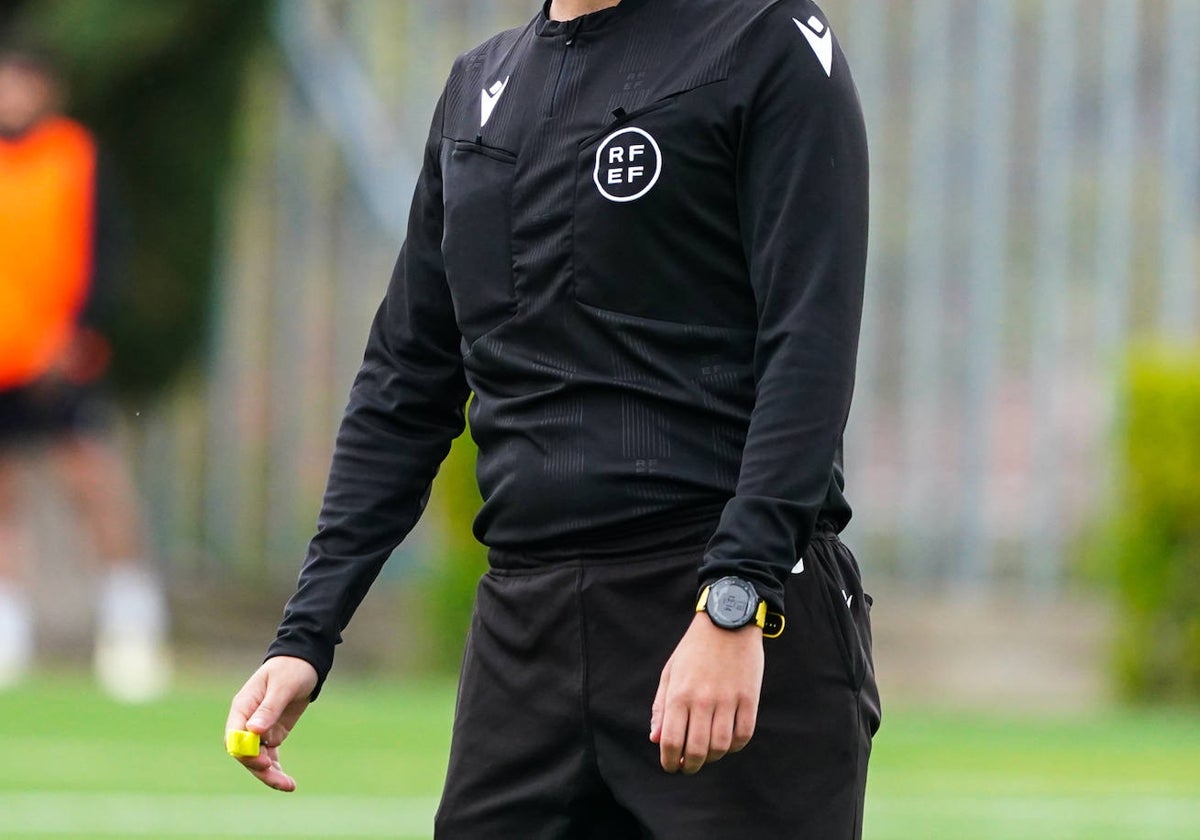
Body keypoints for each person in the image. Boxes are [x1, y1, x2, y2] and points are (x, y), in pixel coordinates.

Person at [228, 0, 879, 835]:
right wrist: (305, 634)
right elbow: (406, 380)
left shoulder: (762, 38)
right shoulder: (478, 88)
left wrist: (735, 596)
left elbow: (811, 341)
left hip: (712, 608)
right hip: (523, 635)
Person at [0, 44, 170, 701]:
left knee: (92, 479)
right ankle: (10, 631)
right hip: (5, 356)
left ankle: (131, 628)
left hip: (59, 353)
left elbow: (104, 251)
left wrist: (75, 337)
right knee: (5, 493)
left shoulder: (74, 155)